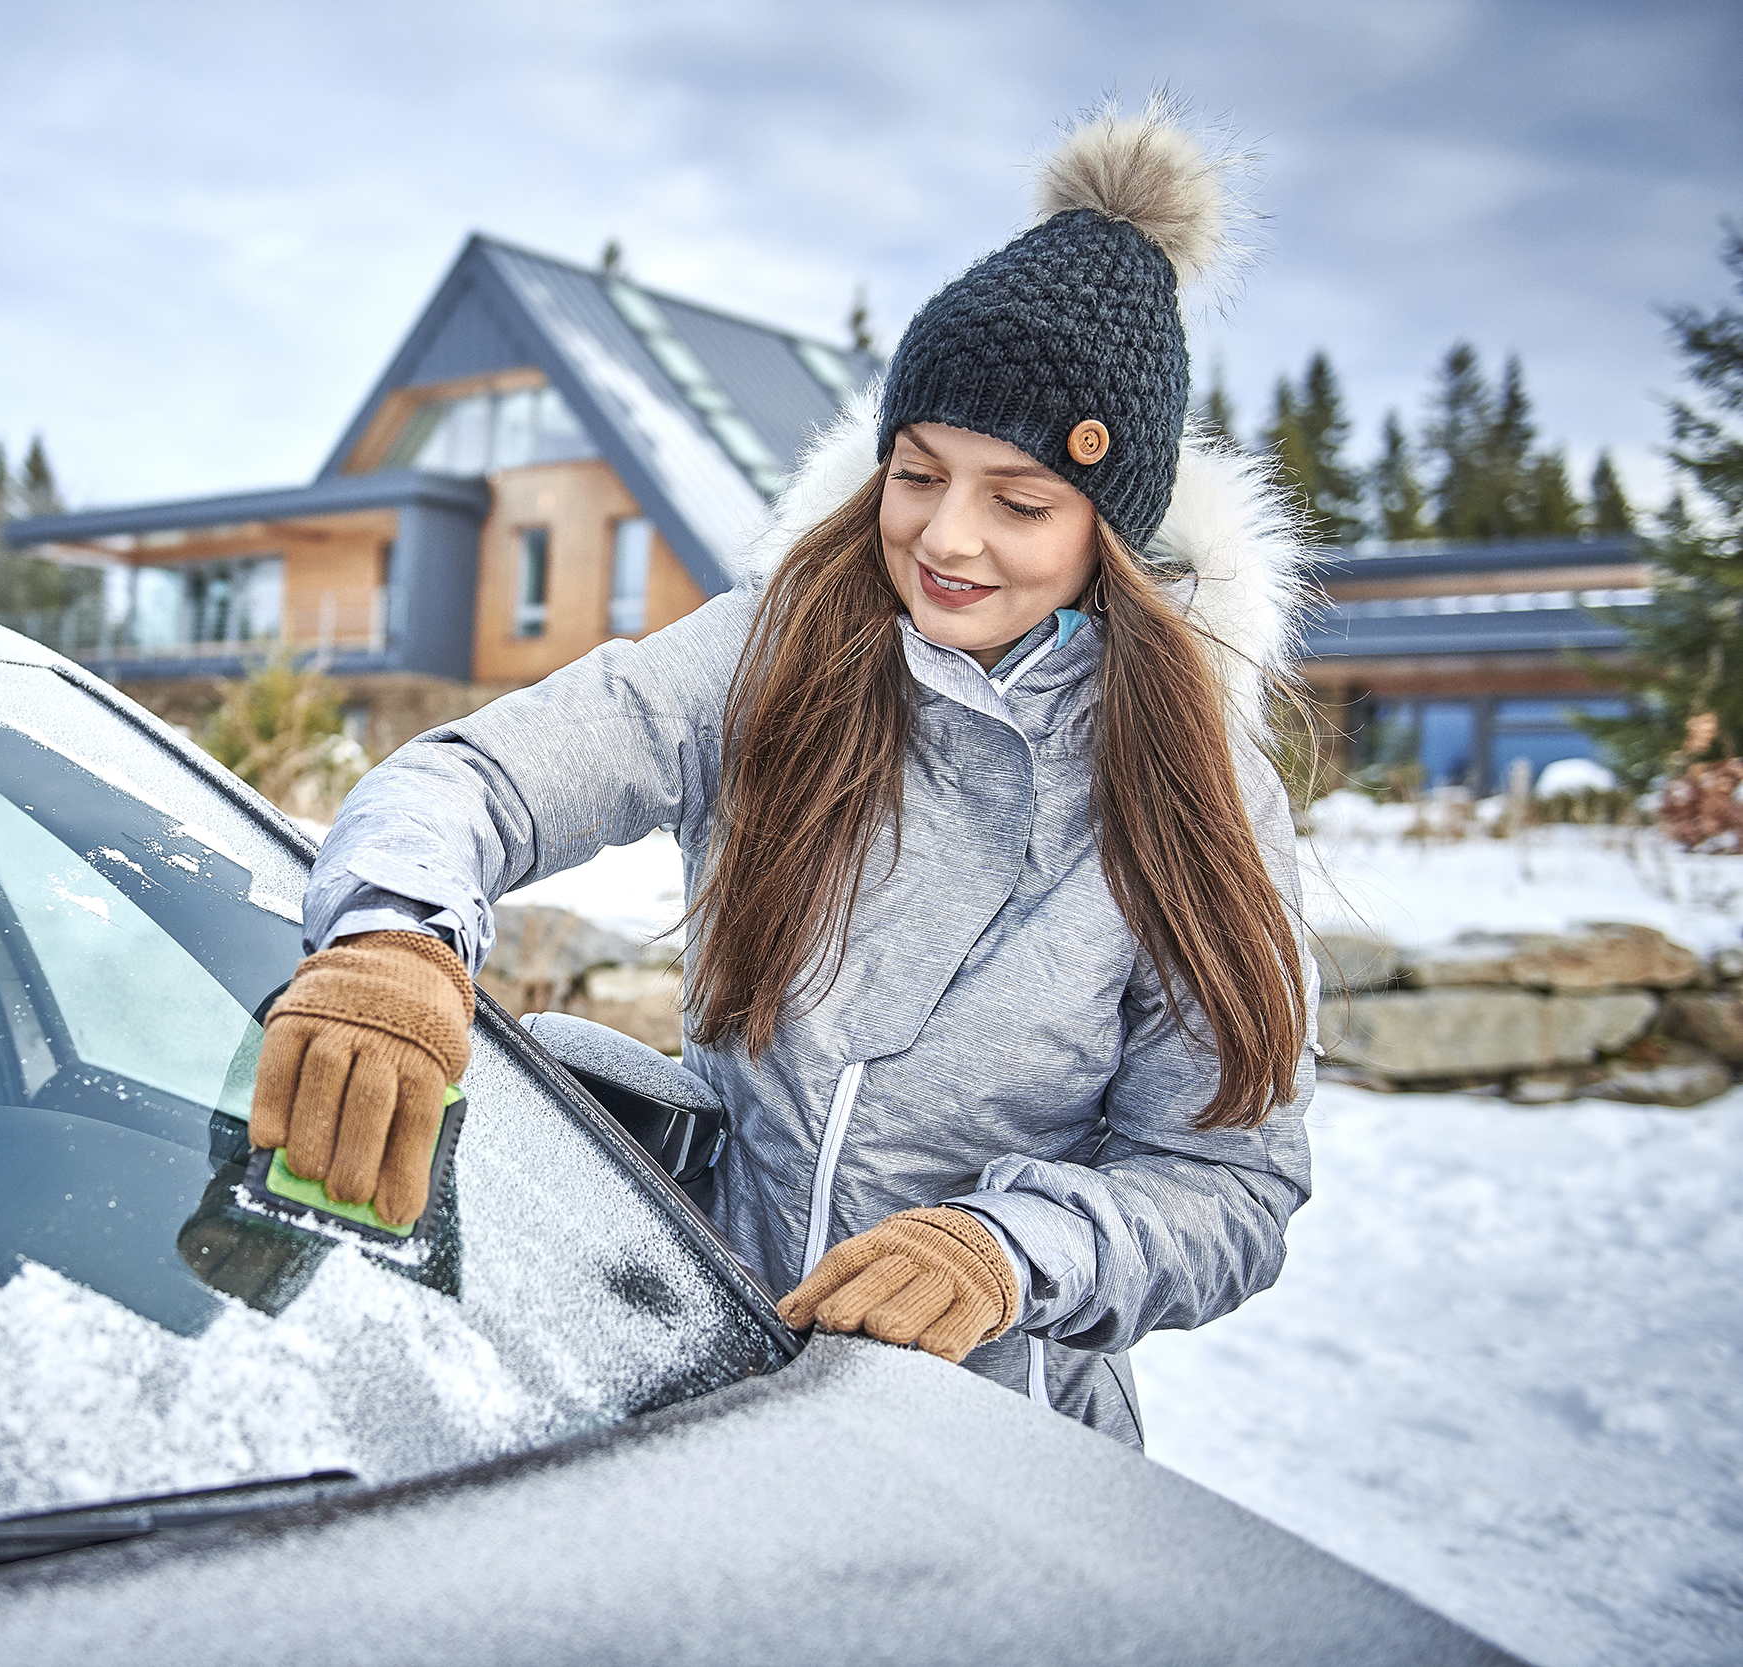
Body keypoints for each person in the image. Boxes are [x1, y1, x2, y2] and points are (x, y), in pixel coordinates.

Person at [249, 97, 1316, 1447]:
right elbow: (476, 779)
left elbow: (1225, 1184)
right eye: (919, 474)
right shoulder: (775, 656)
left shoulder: (1192, 782)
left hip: (992, 1447)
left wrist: (1010, 1252)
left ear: (1116, 529)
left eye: (1021, 503)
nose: (950, 538)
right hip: (704, 1381)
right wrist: (394, 941)